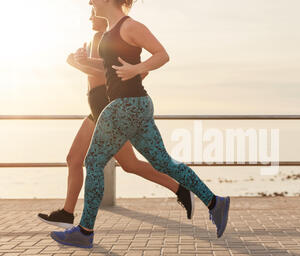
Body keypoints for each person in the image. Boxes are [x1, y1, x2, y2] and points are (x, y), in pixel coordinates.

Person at [50, 0, 230, 249]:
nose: (90, 1)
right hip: (137, 105)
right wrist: (79, 61)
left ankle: (85, 231)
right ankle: (215, 203)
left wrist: (138, 68)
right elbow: (107, 68)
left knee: (93, 161)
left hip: (126, 106)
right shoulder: (111, 30)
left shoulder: (129, 26)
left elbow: (162, 54)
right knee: (163, 162)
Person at [39, 8, 195, 230]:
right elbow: (98, 70)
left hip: (107, 108)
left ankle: (180, 188)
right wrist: (79, 61)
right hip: (95, 108)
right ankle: (67, 213)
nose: (91, 16)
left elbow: (108, 73)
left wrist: (76, 63)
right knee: (82, 160)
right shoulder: (97, 39)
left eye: (93, 12)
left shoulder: (113, 39)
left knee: (118, 163)